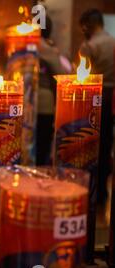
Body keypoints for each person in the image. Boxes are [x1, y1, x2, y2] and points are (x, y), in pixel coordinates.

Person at [79, 8, 115, 205]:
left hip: (92, 97)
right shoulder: (113, 42)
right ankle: (102, 193)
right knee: (106, 143)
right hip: (111, 97)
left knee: (88, 144)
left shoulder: (89, 45)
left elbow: (81, 76)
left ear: (89, 25)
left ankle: (86, 190)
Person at [37, 15, 71, 165]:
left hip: (21, 102)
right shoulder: (48, 50)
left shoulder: (21, 47)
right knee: (42, 146)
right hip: (44, 105)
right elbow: (61, 76)